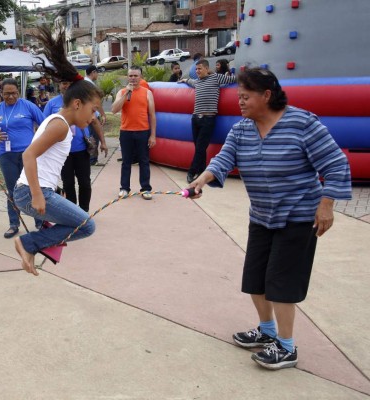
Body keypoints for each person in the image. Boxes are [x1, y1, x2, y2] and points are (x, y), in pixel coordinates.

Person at [188, 67, 352, 370]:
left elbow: (336, 163)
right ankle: (266, 332)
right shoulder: (241, 129)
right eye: (238, 96)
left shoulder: (302, 124)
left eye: (246, 96)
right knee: (256, 279)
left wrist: (326, 205)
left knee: (280, 283)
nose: (240, 102)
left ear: (267, 95)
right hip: (262, 216)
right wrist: (203, 178)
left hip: (298, 216)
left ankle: (287, 348)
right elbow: (225, 158)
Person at [13, 26, 102, 276]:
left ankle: (33, 246)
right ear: (77, 104)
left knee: (78, 222)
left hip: (38, 189)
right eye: (93, 109)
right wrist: (38, 194)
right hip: (31, 192)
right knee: (87, 225)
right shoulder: (60, 125)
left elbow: (46, 161)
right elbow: (28, 155)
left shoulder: (59, 122)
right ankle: (28, 243)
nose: (94, 116)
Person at [0, 78, 45, 239]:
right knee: (12, 191)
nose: (10, 97)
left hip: (28, 154)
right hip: (6, 155)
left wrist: (39, 144)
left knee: (32, 187)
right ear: (1, 93)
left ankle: (40, 222)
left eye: (13, 93)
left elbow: (45, 124)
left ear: (18, 92)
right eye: (6, 94)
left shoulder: (28, 106)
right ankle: (14, 224)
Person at [43, 79, 104, 212]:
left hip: (81, 149)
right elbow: (45, 124)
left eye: (69, 83)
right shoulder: (52, 104)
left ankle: (84, 211)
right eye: (64, 83)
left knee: (85, 183)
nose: (67, 85)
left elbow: (94, 121)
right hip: (62, 153)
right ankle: (72, 213)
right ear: (59, 85)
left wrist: (103, 142)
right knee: (68, 183)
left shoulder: (83, 101)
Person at [180, 59, 237, 183]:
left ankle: (191, 171)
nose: (197, 71)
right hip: (195, 119)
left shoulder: (216, 78)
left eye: (200, 68)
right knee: (199, 148)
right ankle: (201, 172)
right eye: (196, 69)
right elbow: (190, 81)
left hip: (208, 119)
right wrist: (184, 80)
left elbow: (233, 79)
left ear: (207, 68)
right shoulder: (197, 82)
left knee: (200, 147)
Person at [111, 66, 156, 200]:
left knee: (144, 161)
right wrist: (126, 94)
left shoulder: (147, 92)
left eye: (136, 76)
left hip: (143, 131)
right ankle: (124, 188)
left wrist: (153, 135)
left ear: (140, 77)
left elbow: (152, 115)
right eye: (130, 76)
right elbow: (114, 110)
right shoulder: (122, 92)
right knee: (126, 161)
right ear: (127, 77)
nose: (133, 78)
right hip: (126, 132)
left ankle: (146, 188)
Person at [84, 65, 107, 166]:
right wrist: (103, 114)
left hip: (85, 114)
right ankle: (92, 159)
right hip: (92, 114)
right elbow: (97, 103)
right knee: (94, 136)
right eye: (97, 73)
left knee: (89, 136)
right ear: (93, 72)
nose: (97, 75)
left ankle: (90, 158)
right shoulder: (90, 85)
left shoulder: (84, 83)